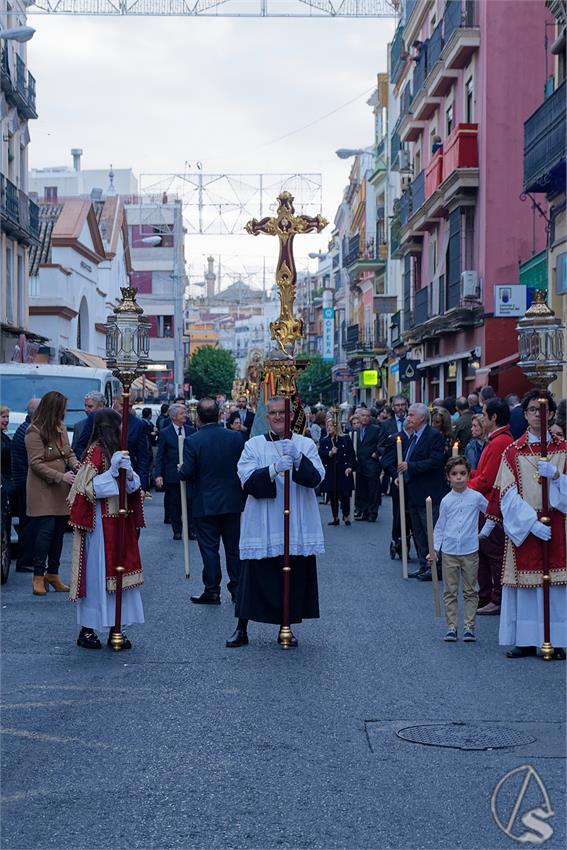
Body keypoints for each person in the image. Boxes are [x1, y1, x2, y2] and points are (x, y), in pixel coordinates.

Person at [226, 395, 325, 649]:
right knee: (253, 576)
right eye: (273, 413)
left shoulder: (305, 443)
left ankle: (287, 626)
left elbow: (317, 479)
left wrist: (299, 460)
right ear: (266, 417)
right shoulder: (254, 445)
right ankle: (241, 628)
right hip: (264, 519)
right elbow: (246, 481)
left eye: (283, 412)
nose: (279, 417)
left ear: (291, 415)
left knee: (292, 575)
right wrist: (273, 469)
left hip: (296, 521)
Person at [492, 389, 566, 659]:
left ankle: (556, 640)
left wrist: (557, 476)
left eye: (544, 409)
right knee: (526, 588)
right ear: (525, 414)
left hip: (558, 522)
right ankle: (524, 639)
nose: (539, 414)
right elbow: (507, 495)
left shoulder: (564, 449)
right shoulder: (513, 451)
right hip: (526, 526)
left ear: (553, 414)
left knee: (556, 587)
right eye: (534, 409)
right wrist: (531, 524)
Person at [68, 409, 144, 650]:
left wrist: (130, 475)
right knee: (97, 575)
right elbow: (85, 490)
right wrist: (111, 474)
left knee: (118, 578)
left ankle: (116, 627)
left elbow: (133, 489)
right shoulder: (95, 451)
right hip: (99, 524)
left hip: (120, 522)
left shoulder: (120, 452)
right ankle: (88, 629)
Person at [179, 398, 244, 605]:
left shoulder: (193, 440)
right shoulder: (236, 438)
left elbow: (188, 472)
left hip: (205, 502)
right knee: (233, 548)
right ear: (219, 415)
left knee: (209, 548)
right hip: (232, 500)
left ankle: (212, 589)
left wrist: (180, 470)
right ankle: (237, 588)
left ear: (197, 417)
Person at [25, 391, 80, 596]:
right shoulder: (34, 431)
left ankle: (53, 574)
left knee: (58, 533)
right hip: (43, 488)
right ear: (54, 409)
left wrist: (76, 466)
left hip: (60, 488)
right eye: (62, 408)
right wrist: (60, 476)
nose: (65, 412)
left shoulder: (60, 428)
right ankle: (38, 576)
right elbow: (35, 463)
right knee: (45, 532)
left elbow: (68, 452)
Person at [429, 456, 489, 642]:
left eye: (463, 473)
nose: (459, 477)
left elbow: (492, 514)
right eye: (454, 474)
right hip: (449, 552)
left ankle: (469, 626)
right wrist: (435, 550)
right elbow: (440, 526)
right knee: (450, 590)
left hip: (470, 551)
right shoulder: (446, 501)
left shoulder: (476, 497)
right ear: (448, 477)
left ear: (468, 474)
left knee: (470, 590)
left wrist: (484, 533)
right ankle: (451, 626)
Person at [467, 397, 513, 615]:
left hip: (491, 505)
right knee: (483, 552)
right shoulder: (495, 440)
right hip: (484, 502)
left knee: (494, 553)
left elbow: (489, 479)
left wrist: (464, 484)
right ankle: (485, 596)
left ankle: (497, 598)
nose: (482, 418)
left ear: (493, 418)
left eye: (484, 415)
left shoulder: (500, 442)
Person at [397, 403, 447, 580]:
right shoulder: (413, 437)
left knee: (430, 531)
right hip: (414, 491)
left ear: (421, 418)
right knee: (418, 531)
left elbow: (435, 461)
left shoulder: (433, 436)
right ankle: (423, 564)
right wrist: (402, 475)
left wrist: (410, 466)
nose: (408, 418)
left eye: (411, 415)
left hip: (429, 492)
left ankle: (436, 567)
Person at [154, 403, 196, 540]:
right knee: (175, 503)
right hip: (172, 475)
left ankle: (191, 530)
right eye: (182, 414)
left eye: (185, 413)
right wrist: (158, 475)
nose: (185, 416)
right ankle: (177, 530)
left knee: (190, 502)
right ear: (173, 417)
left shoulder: (191, 431)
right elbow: (160, 456)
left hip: (189, 474)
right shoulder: (165, 433)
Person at [9, 397, 41, 572]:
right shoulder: (28, 431)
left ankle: (26, 559)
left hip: (24, 483)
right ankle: (25, 561)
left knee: (28, 524)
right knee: (29, 524)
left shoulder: (25, 429)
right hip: (26, 484)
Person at [318, 416, 356, 526]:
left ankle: (346, 515)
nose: (329, 428)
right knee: (333, 495)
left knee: (345, 494)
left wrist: (350, 467)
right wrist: (330, 452)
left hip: (343, 470)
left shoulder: (345, 439)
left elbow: (351, 454)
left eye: (331, 425)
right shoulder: (325, 440)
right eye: (328, 426)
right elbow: (321, 453)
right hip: (331, 471)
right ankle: (335, 517)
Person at [354, 407, 386, 522]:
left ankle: (373, 513)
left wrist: (377, 453)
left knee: (373, 490)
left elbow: (382, 443)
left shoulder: (376, 429)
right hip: (360, 465)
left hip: (371, 464)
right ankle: (364, 512)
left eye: (367, 416)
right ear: (359, 417)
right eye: (363, 416)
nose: (365, 418)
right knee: (362, 489)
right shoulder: (356, 431)